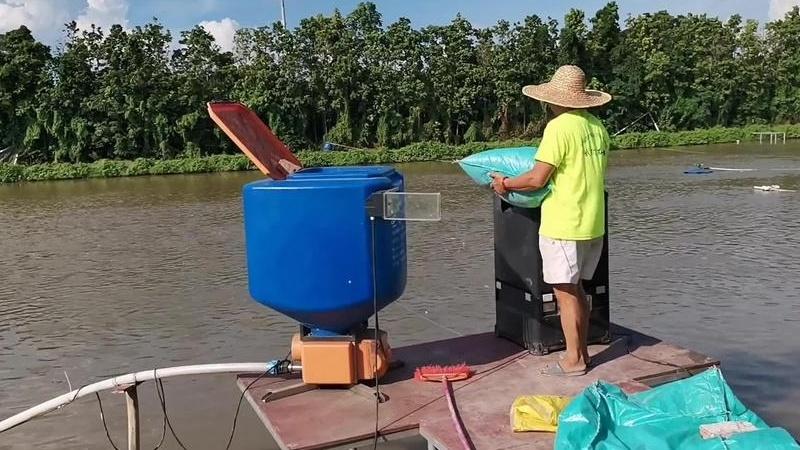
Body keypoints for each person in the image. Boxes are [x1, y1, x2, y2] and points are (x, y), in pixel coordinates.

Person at [490, 65, 611, 377]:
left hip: (564, 222)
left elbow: (536, 178)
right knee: (577, 290)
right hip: (593, 222)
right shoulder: (597, 127)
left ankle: (574, 361)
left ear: (555, 99)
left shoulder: (559, 128)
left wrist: (505, 183)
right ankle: (581, 352)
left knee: (564, 293)